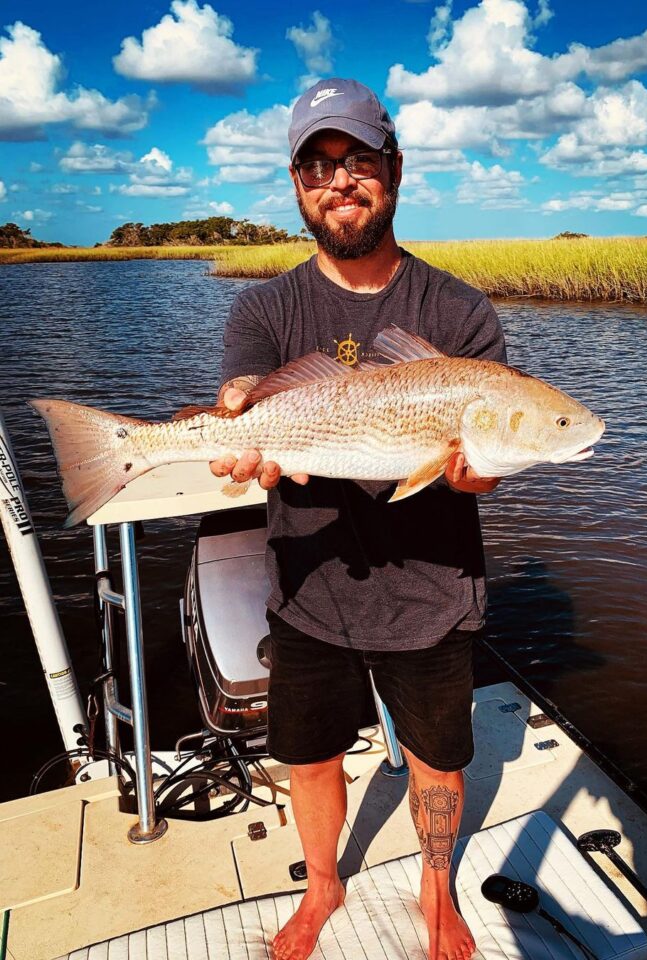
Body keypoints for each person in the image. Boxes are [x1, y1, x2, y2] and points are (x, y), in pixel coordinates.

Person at [210, 77, 507, 960]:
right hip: (310, 588)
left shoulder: (459, 311)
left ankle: (435, 890)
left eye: (358, 160)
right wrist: (236, 422)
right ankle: (325, 885)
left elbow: (480, 477)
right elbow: (243, 407)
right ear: (298, 187)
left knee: (436, 759)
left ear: (395, 170)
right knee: (308, 755)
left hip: (433, 592)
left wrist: (474, 470)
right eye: (317, 167)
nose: (339, 181)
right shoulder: (265, 307)